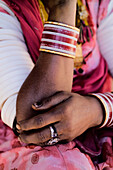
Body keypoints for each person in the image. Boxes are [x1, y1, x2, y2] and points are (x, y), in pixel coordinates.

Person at [0, 0, 113, 169]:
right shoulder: (6, 8)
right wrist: (63, 8)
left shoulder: (99, 4)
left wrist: (96, 109)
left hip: (101, 124)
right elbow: (37, 122)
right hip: (29, 144)